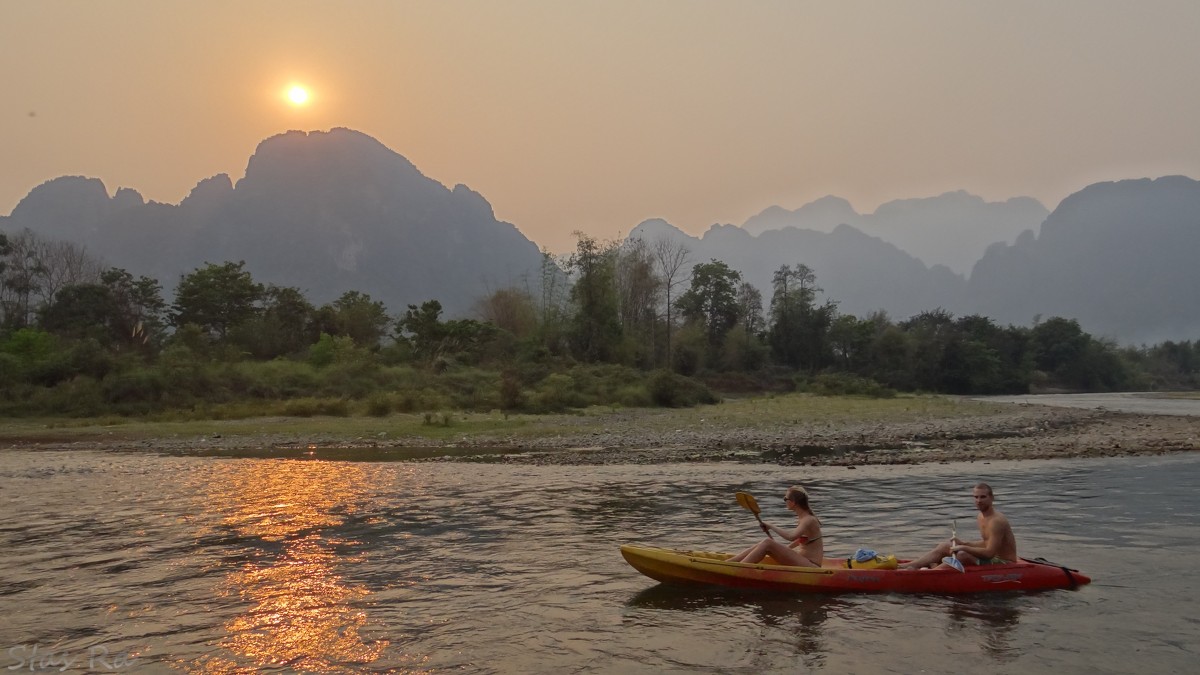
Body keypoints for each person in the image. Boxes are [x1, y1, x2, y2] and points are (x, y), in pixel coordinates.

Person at [901, 482, 1018, 570]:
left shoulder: (996, 521)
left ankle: (930, 573)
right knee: (945, 545)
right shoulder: (981, 517)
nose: (979, 500)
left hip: (1004, 562)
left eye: (983, 497)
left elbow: (989, 553)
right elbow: (987, 543)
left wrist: (964, 548)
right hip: (991, 557)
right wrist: (963, 543)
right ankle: (908, 566)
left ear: (992, 498)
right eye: (976, 497)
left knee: (962, 554)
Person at [727, 485, 824, 567]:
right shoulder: (804, 517)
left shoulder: (808, 519)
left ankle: (739, 568)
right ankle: (730, 563)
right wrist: (785, 549)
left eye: (785, 499)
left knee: (767, 542)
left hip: (811, 565)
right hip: (803, 560)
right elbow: (800, 539)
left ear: (793, 502)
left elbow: (791, 537)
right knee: (763, 544)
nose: (785, 501)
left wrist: (771, 526)